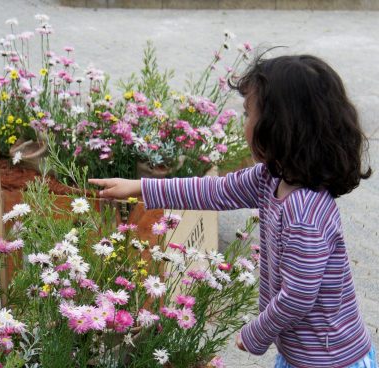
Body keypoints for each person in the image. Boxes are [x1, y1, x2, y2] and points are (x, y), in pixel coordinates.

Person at [89, 54, 376, 368]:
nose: (245, 124)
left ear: (278, 127)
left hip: (331, 359)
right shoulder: (271, 177)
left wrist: (257, 332)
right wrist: (141, 188)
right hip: (302, 355)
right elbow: (214, 191)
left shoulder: (305, 212)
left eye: (247, 114)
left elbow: (299, 295)